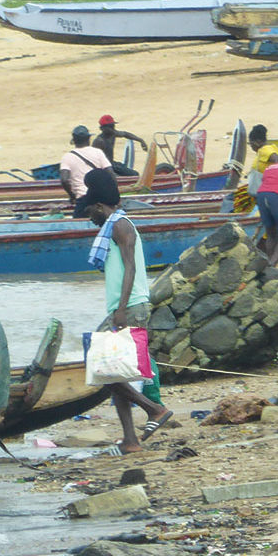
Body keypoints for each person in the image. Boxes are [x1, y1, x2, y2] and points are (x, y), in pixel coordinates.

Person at [83, 168, 172, 456]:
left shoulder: (121, 225)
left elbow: (131, 266)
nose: (90, 218)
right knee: (114, 371)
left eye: (90, 211)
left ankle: (154, 409)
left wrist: (121, 309)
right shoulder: (112, 226)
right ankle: (130, 440)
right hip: (122, 307)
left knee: (104, 368)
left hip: (130, 307)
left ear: (99, 206)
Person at [59, 125, 111, 203]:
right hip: (100, 196)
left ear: (74, 140)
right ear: (88, 138)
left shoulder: (67, 157)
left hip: (82, 197)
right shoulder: (98, 152)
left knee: (80, 215)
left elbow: (64, 180)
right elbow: (110, 172)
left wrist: (72, 196)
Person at [245, 124, 278, 199]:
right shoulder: (271, 147)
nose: (251, 147)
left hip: (265, 190)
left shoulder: (265, 150)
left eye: (251, 144)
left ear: (258, 142)